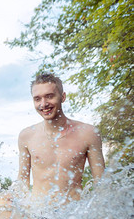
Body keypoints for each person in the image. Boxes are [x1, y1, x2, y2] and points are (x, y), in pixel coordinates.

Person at [17, 72, 105, 204]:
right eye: (37, 99)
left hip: (72, 215)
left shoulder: (88, 133)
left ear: (62, 97)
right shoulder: (26, 136)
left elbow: (102, 183)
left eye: (49, 96)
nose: (43, 104)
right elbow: (22, 183)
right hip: (38, 215)